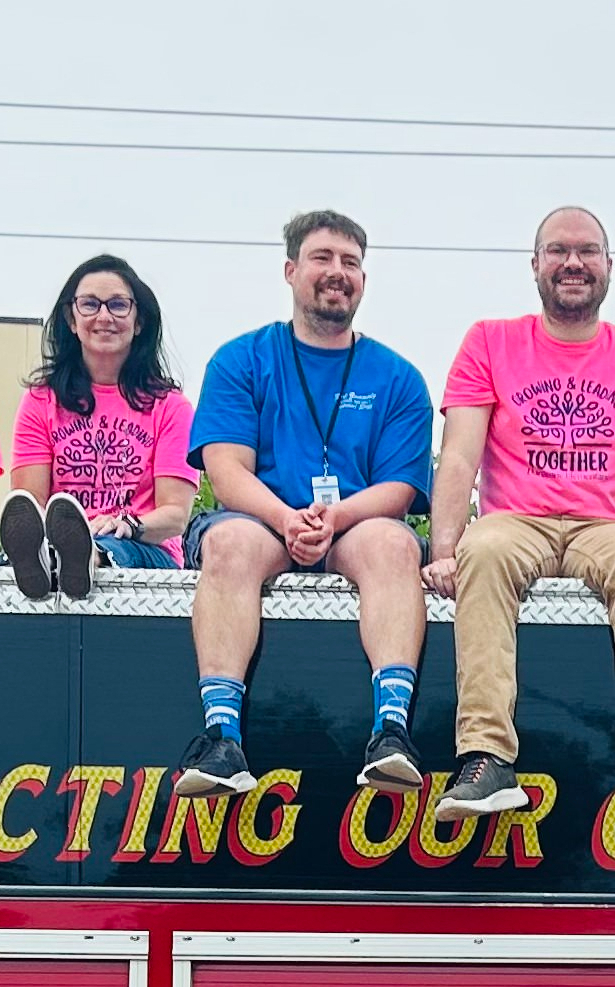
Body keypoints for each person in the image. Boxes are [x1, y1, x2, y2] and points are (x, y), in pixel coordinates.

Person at [426, 207, 615, 824]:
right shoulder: (489, 341)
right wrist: (442, 548)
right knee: (484, 549)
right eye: (557, 251)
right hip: (515, 519)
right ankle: (486, 758)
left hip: (604, 526)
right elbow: (460, 454)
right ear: (534, 265)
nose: (572, 263)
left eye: (587, 251)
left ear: (609, 267)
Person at [185, 210, 437, 799]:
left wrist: (336, 517)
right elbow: (226, 471)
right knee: (228, 543)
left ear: (363, 281)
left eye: (351, 263)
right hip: (260, 519)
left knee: (396, 543)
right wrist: (285, 518)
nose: (337, 272)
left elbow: (400, 489)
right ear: (291, 269)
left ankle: (391, 734)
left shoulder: (399, 377)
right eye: (323, 258)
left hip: (355, 525)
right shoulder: (240, 359)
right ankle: (222, 740)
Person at [2, 253, 195, 600]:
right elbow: (30, 505)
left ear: (139, 321)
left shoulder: (171, 406)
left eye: (118, 305)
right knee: (5, 564)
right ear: (71, 319)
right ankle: (58, 559)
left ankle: (83, 557)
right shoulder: (40, 400)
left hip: (141, 548)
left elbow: (175, 516)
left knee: (108, 547)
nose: (104, 316)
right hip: (51, 544)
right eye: (90, 304)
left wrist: (130, 525)